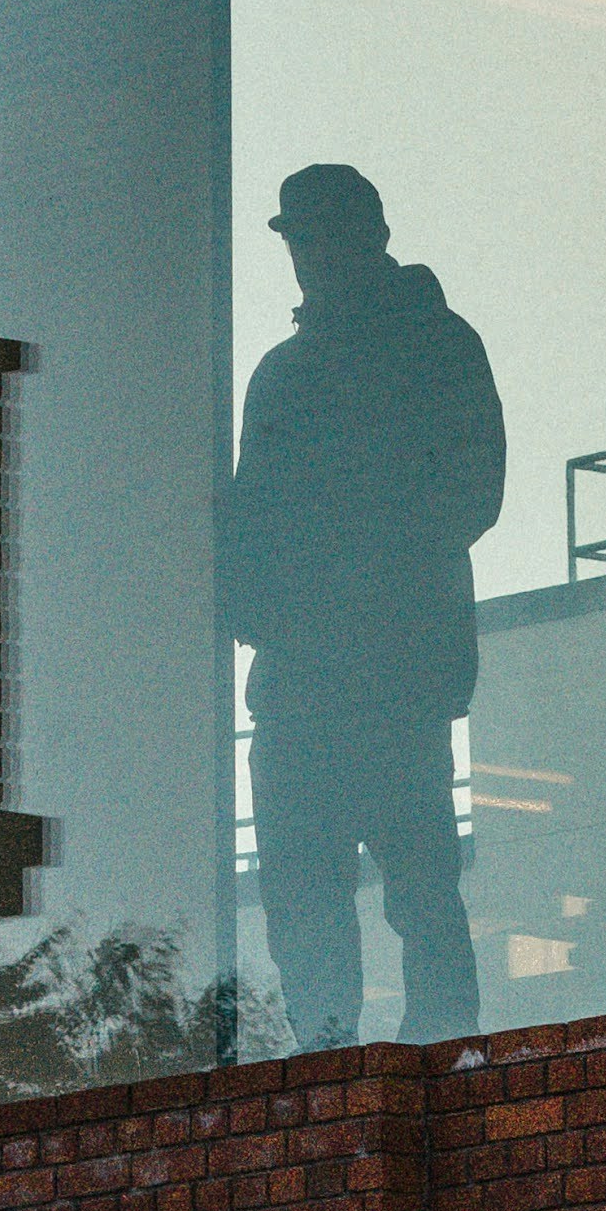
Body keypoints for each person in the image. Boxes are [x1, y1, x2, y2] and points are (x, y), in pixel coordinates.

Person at [222, 162, 505, 1051]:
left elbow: (470, 492)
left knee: (420, 890)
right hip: (307, 680)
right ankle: (324, 1059)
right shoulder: (285, 373)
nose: (309, 257)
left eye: (322, 237)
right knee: (306, 900)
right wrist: (253, 604)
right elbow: (248, 514)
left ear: (371, 235)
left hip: (391, 678)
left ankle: (442, 1050)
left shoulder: (437, 345)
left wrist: (346, 574)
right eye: (299, 239)